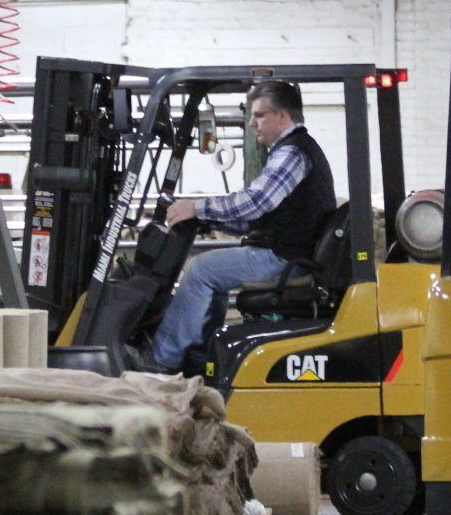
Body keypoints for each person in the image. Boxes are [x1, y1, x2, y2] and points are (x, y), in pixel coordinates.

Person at [144, 79, 336, 373]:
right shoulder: (292, 150)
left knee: (201, 270)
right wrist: (205, 218)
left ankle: (159, 363)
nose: (252, 123)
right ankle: (202, 352)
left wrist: (197, 206)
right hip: (289, 251)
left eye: (259, 115)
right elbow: (259, 218)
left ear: (282, 116)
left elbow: (256, 202)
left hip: (287, 258)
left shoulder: (292, 152)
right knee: (214, 273)